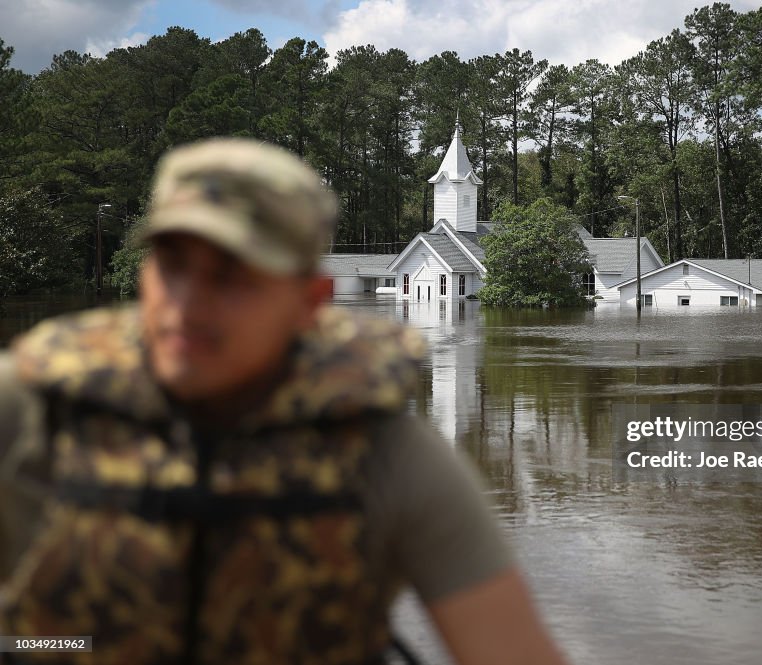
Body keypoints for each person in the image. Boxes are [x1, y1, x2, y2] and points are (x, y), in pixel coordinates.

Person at [0, 138, 570, 665]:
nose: (186, 305)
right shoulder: (29, 409)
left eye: (232, 274)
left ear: (310, 300)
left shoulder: (387, 455)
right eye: (172, 263)